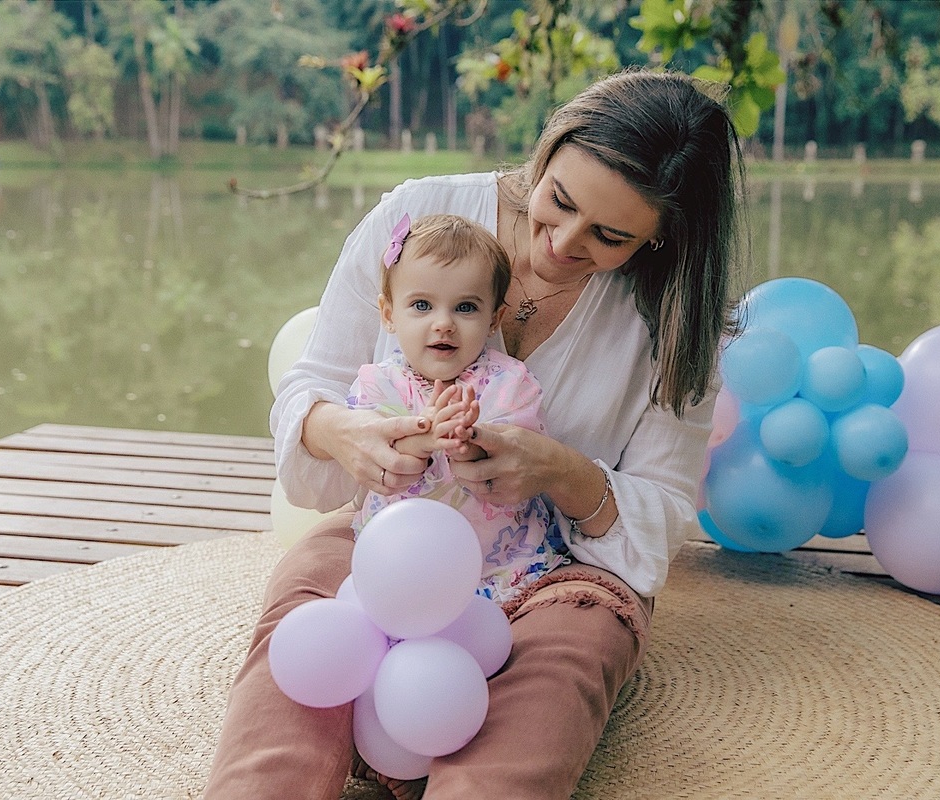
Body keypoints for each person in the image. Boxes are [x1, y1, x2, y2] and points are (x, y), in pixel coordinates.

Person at [205, 68, 746, 800]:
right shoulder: (422, 212)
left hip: (561, 569)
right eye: (556, 202)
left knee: (549, 692)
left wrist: (559, 470)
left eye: (610, 237)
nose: (558, 245)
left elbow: (665, 510)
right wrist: (344, 434)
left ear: (663, 240)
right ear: (549, 149)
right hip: (390, 536)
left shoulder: (676, 317)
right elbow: (312, 383)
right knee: (300, 644)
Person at [348, 212, 569, 604]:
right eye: (421, 305)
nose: (443, 324)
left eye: (465, 308)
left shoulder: (510, 384)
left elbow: (522, 460)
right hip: (398, 556)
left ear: (494, 319)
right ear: (388, 314)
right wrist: (422, 438)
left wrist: (471, 441)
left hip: (500, 559)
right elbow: (375, 461)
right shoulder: (378, 385)